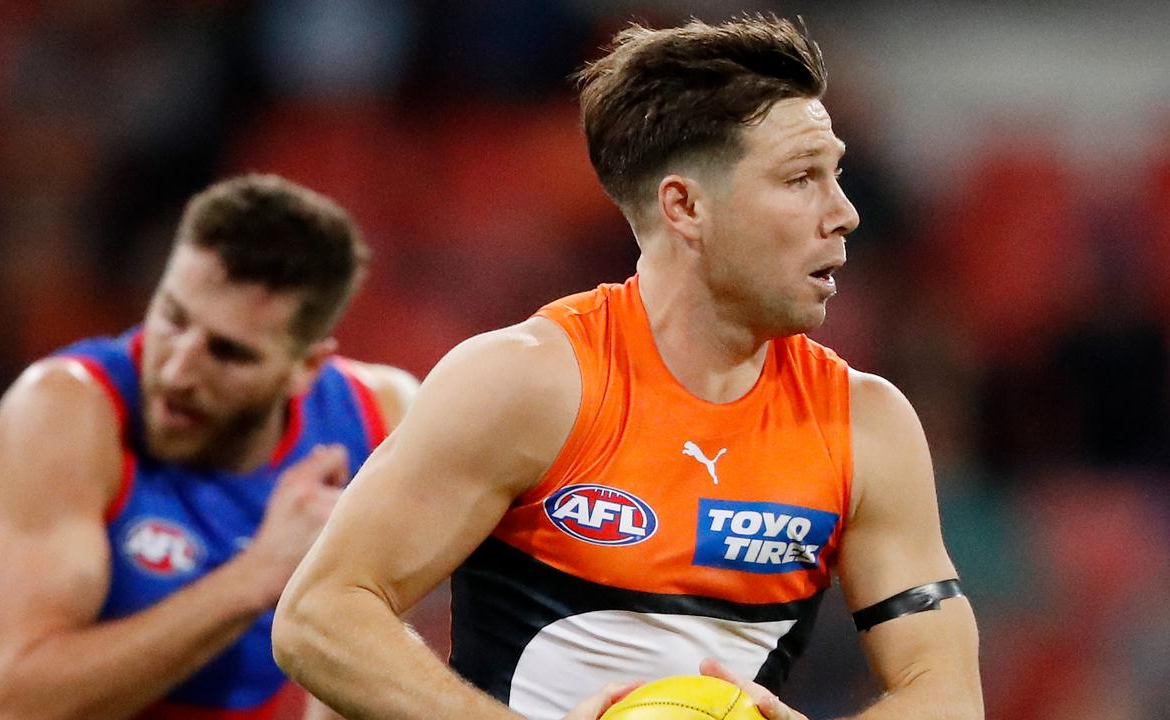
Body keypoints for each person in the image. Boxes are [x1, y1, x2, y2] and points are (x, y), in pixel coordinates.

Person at [272, 14, 981, 720]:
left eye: (837, 176)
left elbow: (946, 693)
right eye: (801, 179)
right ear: (685, 206)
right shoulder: (530, 383)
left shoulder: (865, 424)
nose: (845, 213)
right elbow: (320, 617)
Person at [0, 174, 418, 720]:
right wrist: (256, 577)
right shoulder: (66, 410)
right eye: (173, 318)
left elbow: (348, 674)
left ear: (306, 368)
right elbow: (9, 704)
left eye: (227, 353)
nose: (177, 371)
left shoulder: (376, 423)